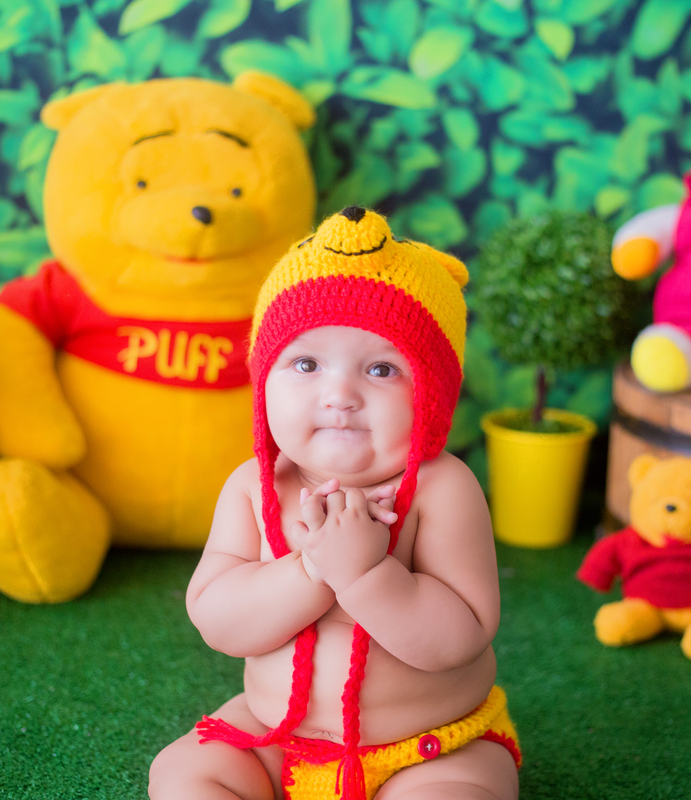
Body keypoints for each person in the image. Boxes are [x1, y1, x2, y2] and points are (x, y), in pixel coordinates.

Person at [148, 207, 520, 800]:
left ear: (433, 392)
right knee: (182, 773)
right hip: (277, 739)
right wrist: (314, 568)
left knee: (462, 791)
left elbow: (460, 638)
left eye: (380, 369)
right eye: (306, 363)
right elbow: (218, 619)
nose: (340, 396)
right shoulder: (254, 485)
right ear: (264, 379)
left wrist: (366, 572)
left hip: (428, 749)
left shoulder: (442, 488)